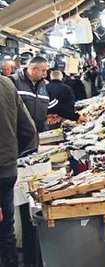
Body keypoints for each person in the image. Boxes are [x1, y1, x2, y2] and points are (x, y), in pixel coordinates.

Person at [0, 75, 37, 267]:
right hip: (6, 171)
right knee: (6, 230)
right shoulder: (7, 83)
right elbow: (28, 129)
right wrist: (12, 154)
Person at [10, 56, 50, 134]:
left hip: (37, 134)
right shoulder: (13, 82)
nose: (45, 74)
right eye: (43, 70)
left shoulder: (43, 85)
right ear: (34, 69)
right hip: (18, 135)